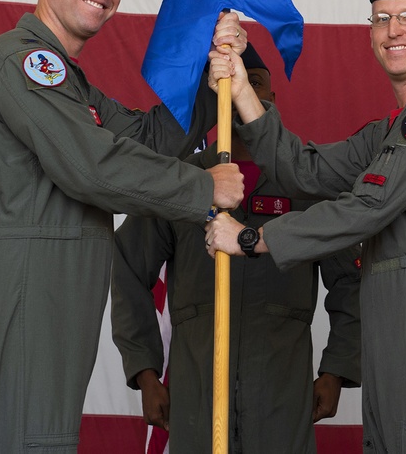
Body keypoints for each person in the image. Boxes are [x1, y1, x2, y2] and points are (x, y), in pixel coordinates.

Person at [0, 0, 248, 453]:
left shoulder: (68, 82)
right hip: (20, 293)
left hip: (44, 292)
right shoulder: (23, 63)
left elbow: (147, 138)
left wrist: (208, 61)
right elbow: (92, 167)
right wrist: (202, 190)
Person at [204, 0, 406, 453]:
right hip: (392, 335)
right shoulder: (392, 130)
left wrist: (253, 238)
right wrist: (241, 90)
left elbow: (368, 206)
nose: (394, 31)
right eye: (382, 18)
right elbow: (306, 171)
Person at [110, 43, 363, 453]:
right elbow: (128, 268)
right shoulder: (181, 180)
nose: (239, 91)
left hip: (282, 394)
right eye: (227, 82)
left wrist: (336, 370)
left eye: (254, 82)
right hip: (197, 394)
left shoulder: (307, 182)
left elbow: (351, 280)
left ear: (271, 99)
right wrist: (145, 373)